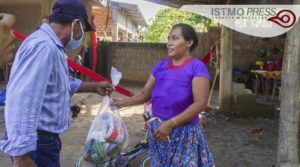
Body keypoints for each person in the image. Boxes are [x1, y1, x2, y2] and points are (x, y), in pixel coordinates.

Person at [0, 0, 113, 167]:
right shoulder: (43, 47)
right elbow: (23, 100)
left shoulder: (54, 47)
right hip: (36, 144)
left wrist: (94, 86)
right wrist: (21, 157)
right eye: (83, 30)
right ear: (75, 24)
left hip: (44, 141)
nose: (82, 37)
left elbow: (60, 83)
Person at [112, 23, 215, 166]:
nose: (169, 43)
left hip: (184, 134)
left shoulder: (197, 67)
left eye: (175, 38)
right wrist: (122, 103)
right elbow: (145, 94)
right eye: (169, 39)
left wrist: (171, 123)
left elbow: (200, 103)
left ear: (189, 42)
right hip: (159, 133)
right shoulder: (160, 66)